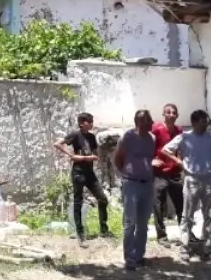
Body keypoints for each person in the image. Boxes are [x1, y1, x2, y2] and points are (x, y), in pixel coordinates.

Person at [166, 110, 211, 261]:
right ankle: (185, 247)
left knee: (210, 214)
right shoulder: (185, 137)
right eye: (203, 121)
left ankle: (208, 246)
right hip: (191, 180)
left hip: (208, 180)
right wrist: (179, 162)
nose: (206, 124)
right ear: (194, 122)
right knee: (187, 215)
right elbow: (166, 150)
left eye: (206, 121)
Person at [54, 112, 111, 247]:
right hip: (78, 173)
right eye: (88, 121)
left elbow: (95, 156)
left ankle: (104, 229)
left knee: (102, 198)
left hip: (89, 173)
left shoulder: (92, 137)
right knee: (78, 201)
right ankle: (80, 234)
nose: (91, 123)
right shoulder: (75, 134)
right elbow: (57, 144)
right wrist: (71, 155)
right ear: (81, 123)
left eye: (92, 121)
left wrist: (84, 158)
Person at [113, 109, 158, 271]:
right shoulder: (128, 137)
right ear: (139, 122)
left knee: (143, 223)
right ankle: (129, 258)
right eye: (148, 120)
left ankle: (139, 256)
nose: (152, 123)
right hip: (131, 184)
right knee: (129, 222)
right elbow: (118, 158)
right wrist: (126, 174)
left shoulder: (152, 139)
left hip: (147, 184)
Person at [151, 102, 185, 243]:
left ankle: (185, 233)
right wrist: (150, 160)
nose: (171, 115)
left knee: (181, 204)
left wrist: (181, 162)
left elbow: (181, 148)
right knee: (158, 205)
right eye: (168, 112)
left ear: (177, 115)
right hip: (159, 172)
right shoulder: (156, 129)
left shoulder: (179, 130)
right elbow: (147, 145)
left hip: (175, 172)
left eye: (174, 112)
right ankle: (162, 236)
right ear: (163, 114)